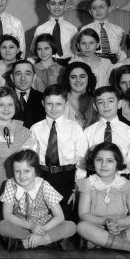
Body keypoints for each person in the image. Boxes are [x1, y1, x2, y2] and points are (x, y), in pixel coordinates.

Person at [77, 142, 130, 255]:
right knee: (81, 227)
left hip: (122, 228)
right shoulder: (88, 183)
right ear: (93, 162)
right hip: (97, 227)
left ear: (118, 163)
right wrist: (104, 222)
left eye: (110, 161)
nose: (103, 164)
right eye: (99, 160)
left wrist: (118, 223)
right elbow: (83, 214)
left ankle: (99, 243)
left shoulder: (127, 185)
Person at [30, 84, 88, 221]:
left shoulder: (75, 128)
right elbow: (31, 159)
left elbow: (81, 160)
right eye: (49, 104)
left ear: (66, 104)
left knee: (66, 214)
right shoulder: (35, 129)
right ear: (43, 103)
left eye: (58, 104)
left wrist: (77, 188)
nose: (54, 108)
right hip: (43, 176)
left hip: (67, 177)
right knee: (43, 214)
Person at [0, 149, 75, 250]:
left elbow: (59, 216)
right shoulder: (10, 184)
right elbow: (7, 215)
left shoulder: (44, 186)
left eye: (27, 171)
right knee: (2, 226)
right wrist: (31, 226)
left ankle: (28, 243)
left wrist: (40, 232)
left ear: (36, 171)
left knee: (70, 226)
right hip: (23, 226)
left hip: (45, 227)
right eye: (17, 171)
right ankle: (48, 241)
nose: (22, 176)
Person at [0, 87, 36, 205]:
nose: (6, 109)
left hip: (17, 180)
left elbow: (30, 165)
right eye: (1, 105)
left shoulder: (25, 132)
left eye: (10, 104)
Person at [84, 86, 130, 182]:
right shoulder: (88, 132)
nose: (106, 105)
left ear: (119, 104)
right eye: (100, 102)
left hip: (121, 181)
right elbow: (82, 162)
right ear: (95, 106)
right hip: (95, 181)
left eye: (110, 101)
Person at [31, 0, 78, 64]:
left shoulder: (73, 29)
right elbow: (34, 51)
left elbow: (76, 51)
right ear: (48, 6)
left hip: (67, 64)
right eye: (53, 4)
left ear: (65, 6)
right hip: (46, 64)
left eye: (60, 4)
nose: (57, 7)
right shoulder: (40, 29)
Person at [80, 0, 126, 64]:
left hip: (113, 65)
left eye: (101, 7)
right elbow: (80, 51)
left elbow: (122, 53)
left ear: (109, 9)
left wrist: (119, 67)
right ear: (90, 12)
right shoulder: (85, 29)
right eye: (94, 8)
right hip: (92, 63)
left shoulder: (119, 30)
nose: (98, 10)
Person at [4, 59, 45, 128]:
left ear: (34, 77)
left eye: (28, 73)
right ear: (12, 77)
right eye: (18, 74)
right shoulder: (3, 98)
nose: (23, 78)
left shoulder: (43, 98)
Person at [62, 61, 98, 129]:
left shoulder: (96, 101)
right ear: (67, 80)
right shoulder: (61, 100)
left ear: (89, 78)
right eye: (73, 77)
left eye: (82, 76)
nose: (78, 80)